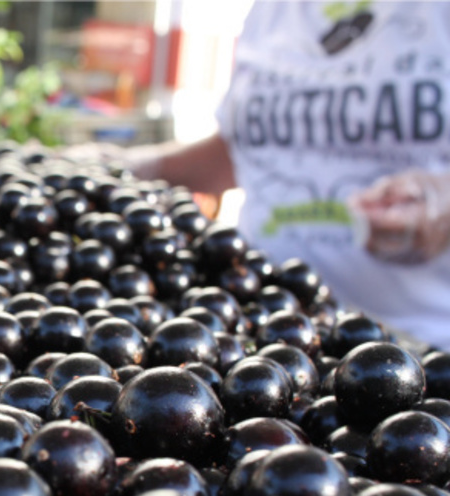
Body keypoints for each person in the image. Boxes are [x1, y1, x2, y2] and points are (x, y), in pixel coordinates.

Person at [125, 1, 450, 351]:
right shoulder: (270, 10)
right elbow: (243, 153)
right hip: (258, 321)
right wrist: (134, 167)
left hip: (421, 341)